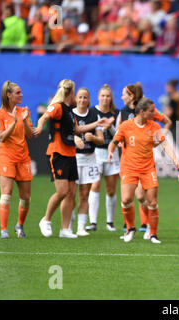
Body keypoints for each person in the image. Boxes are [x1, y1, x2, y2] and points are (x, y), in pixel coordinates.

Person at [34, 79, 109, 238]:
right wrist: (40, 126)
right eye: (75, 92)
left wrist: (97, 123)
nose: (78, 96)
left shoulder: (69, 110)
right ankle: (46, 220)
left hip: (70, 154)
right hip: (58, 153)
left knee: (70, 193)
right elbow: (44, 117)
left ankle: (65, 229)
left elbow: (77, 129)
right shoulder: (58, 106)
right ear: (70, 92)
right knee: (62, 192)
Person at [108, 97, 179, 243]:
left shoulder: (154, 126)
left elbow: (164, 144)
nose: (154, 113)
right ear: (142, 112)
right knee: (126, 200)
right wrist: (111, 151)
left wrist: (176, 161)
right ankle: (130, 228)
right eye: (151, 111)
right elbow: (114, 142)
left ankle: (153, 234)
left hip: (148, 169)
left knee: (152, 202)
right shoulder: (125, 126)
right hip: (130, 168)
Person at [0, 81, 33, 239]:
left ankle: (19, 225)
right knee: (6, 194)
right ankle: (4, 230)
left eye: (21, 92)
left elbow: (30, 135)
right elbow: (1, 137)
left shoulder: (24, 111)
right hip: (6, 157)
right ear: (8, 95)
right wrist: (14, 123)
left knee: (26, 198)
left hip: (23, 158)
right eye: (18, 93)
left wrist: (23, 121)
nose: (21, 95)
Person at [72, 87, 105, 236]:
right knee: (70, 194)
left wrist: (94, 139)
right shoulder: (70, 114)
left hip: (90, 158)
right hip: (74, 158)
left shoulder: (93, 114)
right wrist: (74, 138)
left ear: (89, 99)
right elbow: (64, 134)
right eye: (80, 97)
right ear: (75, 98)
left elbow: (101, 139)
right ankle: (68, 224)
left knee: (84, 194)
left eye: (85, 97)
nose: (82, 100)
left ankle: (81, 227)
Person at [87, 84, 119, 233]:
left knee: (111, 190)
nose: (105, 98)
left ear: (111, 98)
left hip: (112, 154)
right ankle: (92, 222)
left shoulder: (116, 113)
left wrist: (110, 127)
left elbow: (119, 135)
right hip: (96, 154)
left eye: (108, 96)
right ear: (98, 97)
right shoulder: (92, 112)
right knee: (95, 185)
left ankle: (110, 222)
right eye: (103, 96)